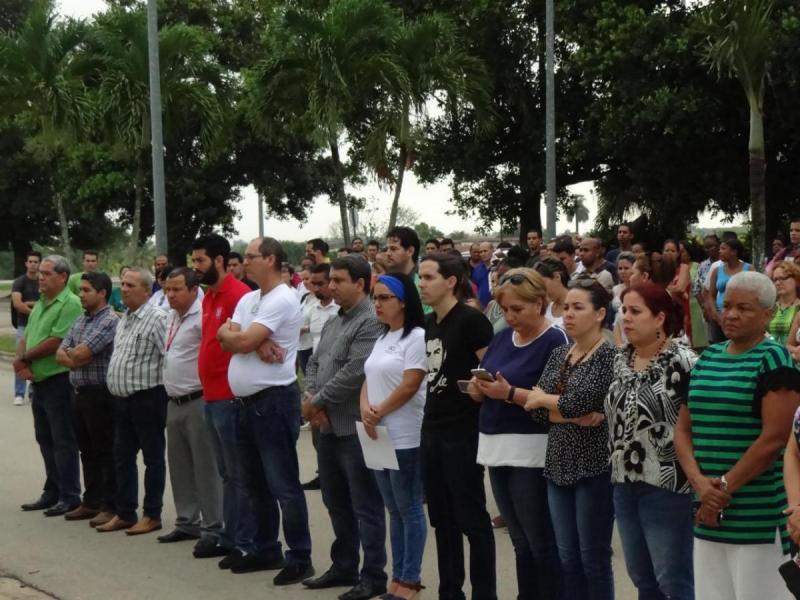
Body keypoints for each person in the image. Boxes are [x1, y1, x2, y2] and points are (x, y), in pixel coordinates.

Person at [676, 271, 799, 600]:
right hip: (707, 513)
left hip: (757, 516)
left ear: (768, 314)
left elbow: (775, 439)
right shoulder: (708, 358)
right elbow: (683, 430)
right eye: (727, 305)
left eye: (744, 308)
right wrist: (702, 486)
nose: (730, 314)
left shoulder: (775, 359)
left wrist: (723, 488)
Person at [216, 237, 313, 585]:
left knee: (283, 484)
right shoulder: (248, 298)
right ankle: (265, 547)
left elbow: (238, 340)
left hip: (272, 402)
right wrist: (251, 342)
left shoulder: (282, 298)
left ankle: (300, 555)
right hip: (244, 403)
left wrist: (247, 341)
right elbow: (223, 333)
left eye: (251, 256)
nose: (244, 262)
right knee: (254, 482)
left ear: (270, 259)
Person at [468, 268, 570, 600]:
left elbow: (555, 399)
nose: (510, 316)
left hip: (532, 448)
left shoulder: (555, 339)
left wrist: (509, 393)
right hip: (497, 445)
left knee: (539, 539)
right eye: (506, 309)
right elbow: (492, 381)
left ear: (539, 302)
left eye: (518, 309)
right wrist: (478, 389)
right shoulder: (502, 336)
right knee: (519, 539)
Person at [523, 278, 615, 600]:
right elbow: (535, 411)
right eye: (566, 307)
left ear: (600, 313)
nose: (569, 314)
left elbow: (573, 401)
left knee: (593, 559)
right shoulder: (561, 352)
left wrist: (548, 400)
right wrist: (563, 408)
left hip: (593, 467)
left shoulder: (609, 355)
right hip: (558, 464)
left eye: (578, 307)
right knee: (567, 558)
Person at [301, 256, 387, 600]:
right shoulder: (337, 320)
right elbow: (315, 362)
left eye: (338, 280)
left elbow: (355, 372)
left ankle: (374, 574)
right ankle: (344, 566)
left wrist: (316, 401)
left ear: (361, 284)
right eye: (330, 280)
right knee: (335, 501)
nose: (330, 286)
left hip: (353, 430)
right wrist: (310, 397)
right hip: (326, 428)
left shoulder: (370, 321)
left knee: (365, 506)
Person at [606, 282, 696, 600]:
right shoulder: (621, 360)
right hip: (623, 482)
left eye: (635, 311)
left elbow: (695, 424)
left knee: (673, 580)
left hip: (667, 485)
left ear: (659, 319)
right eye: (623, 310)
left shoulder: (683, 362)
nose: (625, 318)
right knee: (641, 577)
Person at [418, 253, 497, 600]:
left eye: (429, 277)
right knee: (441, 519)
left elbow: (491, 372)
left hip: (463, 431)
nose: (421, 284)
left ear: (450, 281)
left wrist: (482, 391)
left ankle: (484, 593)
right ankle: (450, 590)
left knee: (472, 520)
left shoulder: (471, 321)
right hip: (432, 428)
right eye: (420, 277)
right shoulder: (428, 324)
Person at [361, 273, 428, 600]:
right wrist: (365, 410)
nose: (378, 303)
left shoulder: (415, 336)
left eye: (385, 297)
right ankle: (397, 579)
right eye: (375, 297)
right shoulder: (382, 336)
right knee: (394, 509)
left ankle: (410, 580)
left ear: (403, 301)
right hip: (379, 434)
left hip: (404, 435)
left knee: (409, 509)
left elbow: (410, 383)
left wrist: (380, 410)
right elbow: (368, 377)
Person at [191, 234, 252, 562]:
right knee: (226, 472)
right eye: (193, 261)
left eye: (201, 261)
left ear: (219, 261)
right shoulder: (208, 297)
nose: (195, 268)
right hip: (211, 395)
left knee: (238, 472)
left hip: (230, 397)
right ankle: (230, 534)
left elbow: (245, 341)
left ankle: (243, 539)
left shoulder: (238, 296)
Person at [99, 267, 168, 535]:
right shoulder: (125, 318)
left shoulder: (157, 318)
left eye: (129, 285)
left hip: (148, 398)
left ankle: (152, 514)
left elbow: (168, 357)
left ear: (146, 290)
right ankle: (125, 512)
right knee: (122, 457)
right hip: (122, 400)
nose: (123, 289)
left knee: (152, 458)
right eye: (123, 284)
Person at [158, 267, 223, 550]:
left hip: (198, 400)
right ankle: (187, 521)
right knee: (180, 465)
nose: (170, 295)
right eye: (167, 290)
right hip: (174, 401)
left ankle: (213, 527)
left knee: (205, 468)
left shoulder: (202, 315)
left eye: (176, 290)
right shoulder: (172, 316)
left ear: (194, 289)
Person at [15, 255, 83, 515]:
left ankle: (70, 494)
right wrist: (22, 362)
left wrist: (23, 359)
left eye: (46, 273)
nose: (40, 277)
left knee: (63, 439)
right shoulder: (42, 303)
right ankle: (52, 490)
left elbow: (56, 341)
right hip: (39, 382)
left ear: (63, 277)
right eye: (40, 272)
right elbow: (28, 336)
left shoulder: (70, 304)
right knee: (44, 437)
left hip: (58, 380)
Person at [54, 272, 119, 525]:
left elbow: (81, 353)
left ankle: (110, 504)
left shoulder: (110, 321)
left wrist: (75, 355)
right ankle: (91, 501)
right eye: (80, 290)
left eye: (86, 290)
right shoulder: (80, 320)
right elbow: (63, 353)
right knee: (87, 450)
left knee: (105, 451)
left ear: (102, 293)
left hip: (100, 395)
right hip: (79, 393)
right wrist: (75, 355)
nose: (81, 294)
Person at [707, 238, 751, 344]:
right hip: (720, 317)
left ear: (734, 251)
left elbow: (754, 293)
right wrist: (715, 315)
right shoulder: (717, 270)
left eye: (723, 249)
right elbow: (711, 295)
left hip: (740, 317)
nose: (719, 251)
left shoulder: (748, 269)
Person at [11, 250, 41, 405]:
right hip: (24, 326)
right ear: (26, 263)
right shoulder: (19, 282)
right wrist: (35, 310)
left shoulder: (43, 282)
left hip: (40, 327)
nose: (33, 264)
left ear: (40, 264)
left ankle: (33, 391)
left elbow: (46, 302)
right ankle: (19, 392)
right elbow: (17, 304)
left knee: (36, 359)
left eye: (36, 261)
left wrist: (28, 303)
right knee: (21, 357)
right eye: (30, 261)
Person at [768, 261, 800, 346]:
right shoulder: (769, 307)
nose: (778, 283)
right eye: (775, 280)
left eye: (783, 278)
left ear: (796, 280)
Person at [534, 257, 570, 329]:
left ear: (557, 277)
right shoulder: (545, 308)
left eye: (543, 284)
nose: (541, 290)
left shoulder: (580, 307)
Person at [611, 252, 635, 346]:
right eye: (620, 268)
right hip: (617, 329)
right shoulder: (616, 289)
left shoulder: (639, 290)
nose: (622, 271)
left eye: (626, 268)